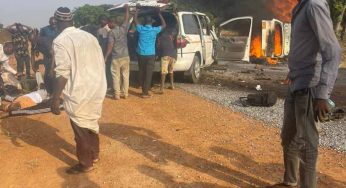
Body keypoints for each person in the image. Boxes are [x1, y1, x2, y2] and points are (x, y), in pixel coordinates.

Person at [278, 0, 341, 187]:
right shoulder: (301, 6)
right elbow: (306, 45)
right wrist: (294, 71)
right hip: (297, 82)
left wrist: (322, 94)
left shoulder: (314, 5)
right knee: (288, 137)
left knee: (307, 146)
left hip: (310, 87)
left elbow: (333, 51)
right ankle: (289, 181)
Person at [51, 7, 107, 174]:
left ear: (56, 21)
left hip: (80, 89)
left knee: (80, 127)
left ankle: (85, 163)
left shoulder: (60, 40)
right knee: (91, 122)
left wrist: (55, 97)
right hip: (97, 86)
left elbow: (62, 72)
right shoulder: (89, 36)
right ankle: (94, 154)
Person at [134, 7, 166, 98]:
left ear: (144, 22)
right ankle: (145, 92)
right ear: (152, 22)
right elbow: (164, 25)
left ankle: (141, 84)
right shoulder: (155, 30)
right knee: (148, 74)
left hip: (140, 54)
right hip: (150, 54)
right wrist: (159, 14)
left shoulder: (140, 29)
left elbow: (135, 20)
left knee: (141, 71)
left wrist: (137, 10)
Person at [104, 5, 130, 100]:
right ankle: (126, 94)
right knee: (125, 75)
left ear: (112, 23)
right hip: (125, 56)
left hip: (116, 57)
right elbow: (126, 19)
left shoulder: (111, 33)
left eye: (108, 23)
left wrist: (106, 57)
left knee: (116, 76)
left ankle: (117, 95)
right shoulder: (123, 29)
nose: (108, 25)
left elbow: (110, 46)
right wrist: (127, 10)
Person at [29, 29, 55, 94]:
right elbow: (32, 55)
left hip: (56, 57)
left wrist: (52, 69)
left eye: (33, 40)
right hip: (48, 57)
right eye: (31, 41)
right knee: (46, 77)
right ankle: (49, 93)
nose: (32, 42)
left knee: (51, 76)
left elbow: (53, 54)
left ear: (36, 37)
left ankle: (54, 94)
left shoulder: (44, 41)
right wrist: (33, 66)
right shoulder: (34, 43)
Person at [158, 27, 177, 94]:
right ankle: (172, 85)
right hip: (173, 55)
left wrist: (158, 55)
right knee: (171, 71)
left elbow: (158, 47)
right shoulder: (171, 37)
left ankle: (161, 88)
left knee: (163, 72)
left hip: (165, 55)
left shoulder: (160, 38)